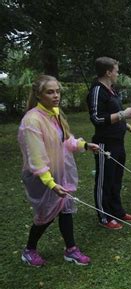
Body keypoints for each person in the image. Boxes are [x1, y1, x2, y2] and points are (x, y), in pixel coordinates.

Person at [19, 75, 100, 267]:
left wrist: (84, 145)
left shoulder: (54, 112)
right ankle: (29, 250)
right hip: (41, 177)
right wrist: (51, 183)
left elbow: (65, 139)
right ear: (39, 95)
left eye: (57, 91)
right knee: (45, 214)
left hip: (58, 172)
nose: (56, 96)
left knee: (65, 209)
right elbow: (36, 158)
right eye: (50, 92)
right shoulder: (32, 121)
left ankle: (71, 249)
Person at [87, 57, 131, 230]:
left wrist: (130, 128)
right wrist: (122, 114)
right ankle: (104, 216)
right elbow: (96, 118)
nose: (118, 74)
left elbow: (117, 115)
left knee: (116, 179)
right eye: (116, 71)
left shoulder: (112, 90)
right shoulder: (97, 90)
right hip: (104, 144)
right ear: (108, 72)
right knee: (104, 181)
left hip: (118, 143)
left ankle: (117, 211)